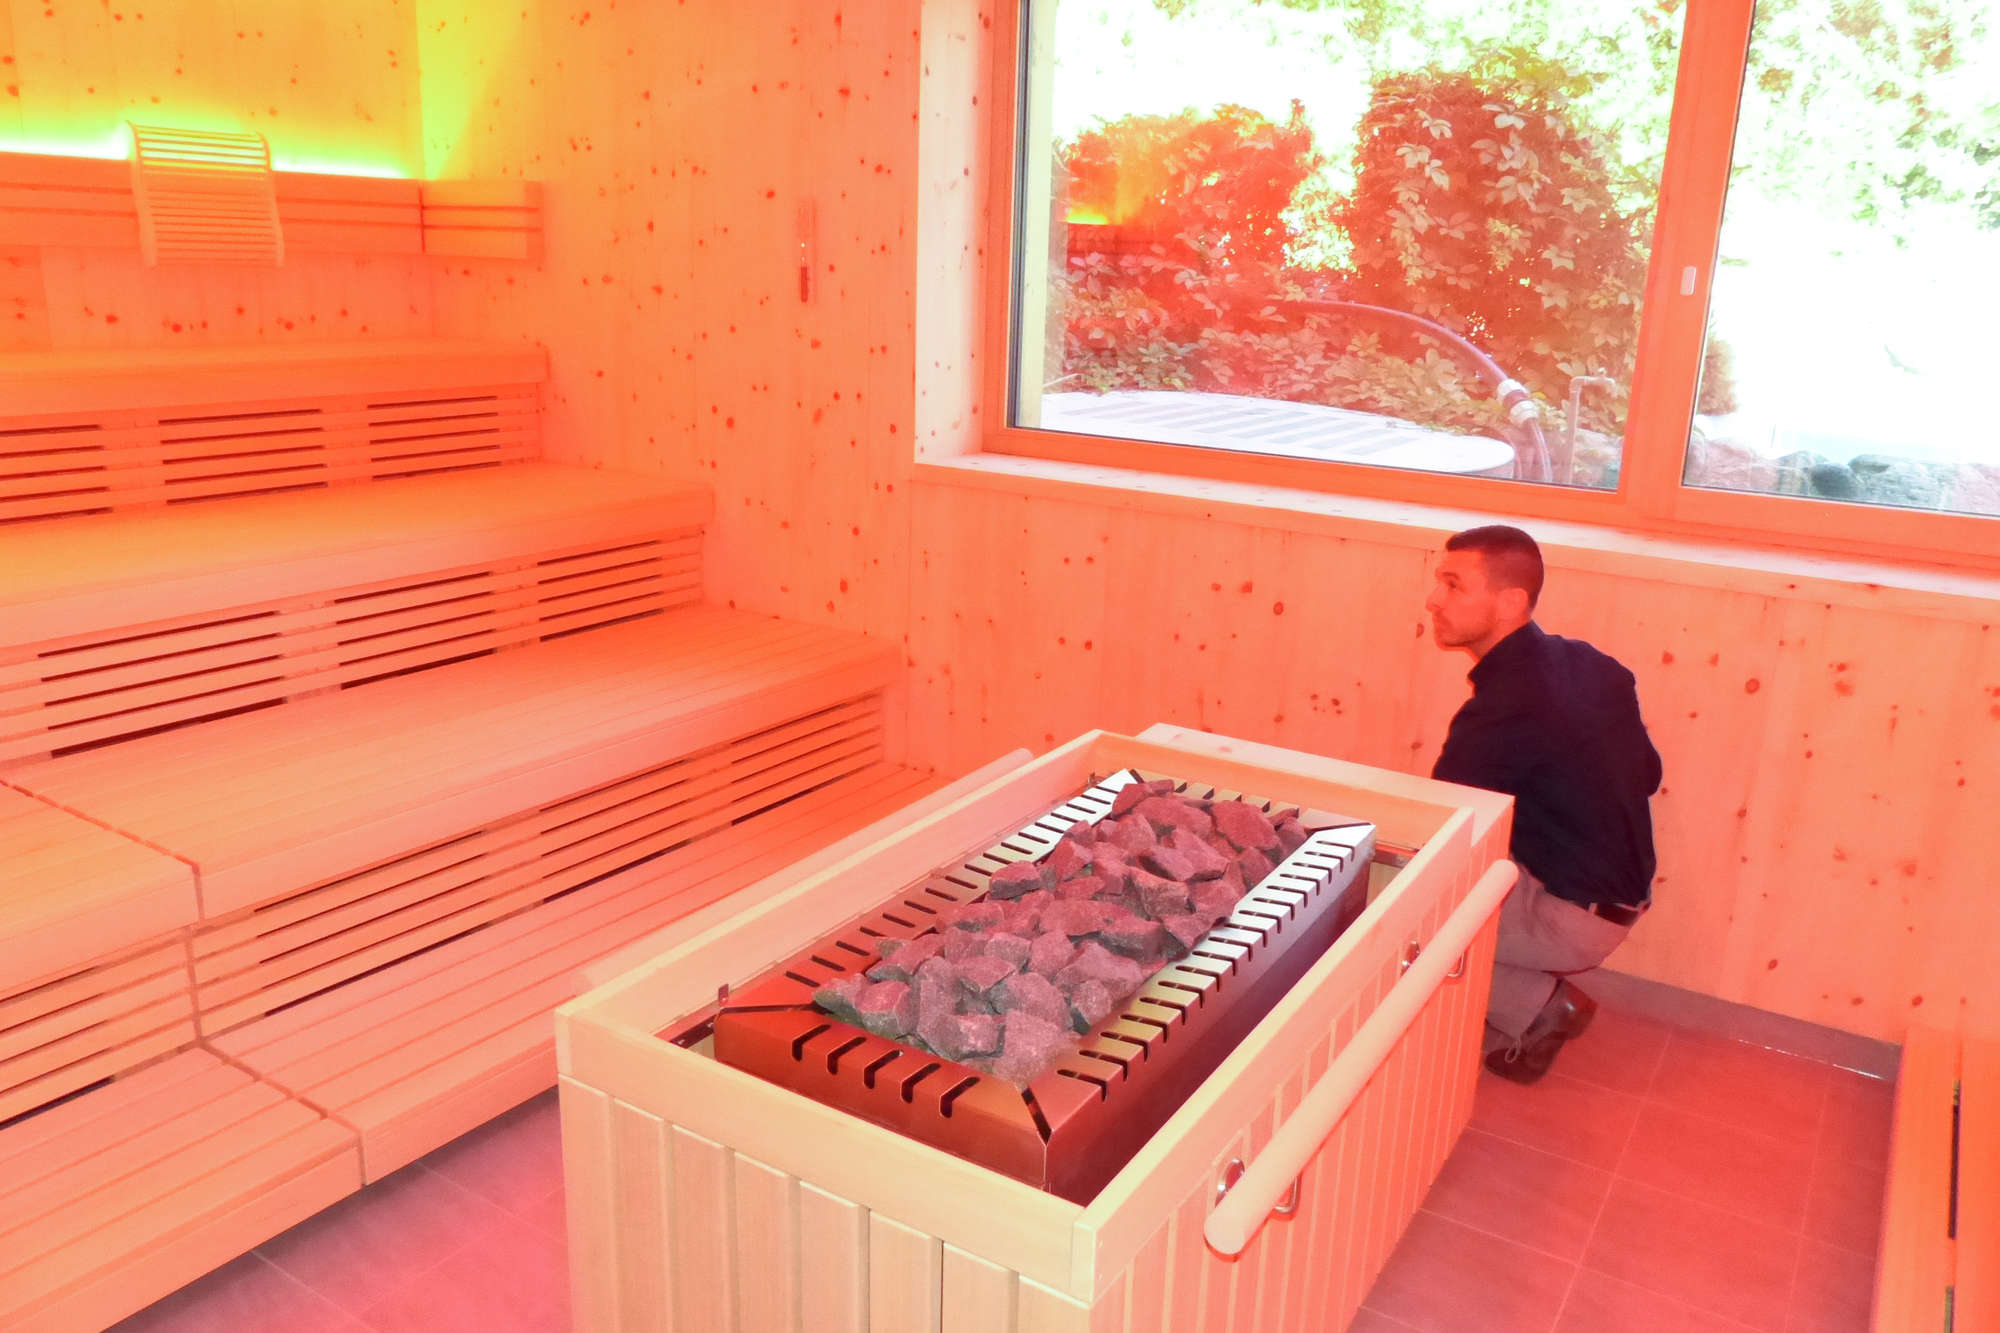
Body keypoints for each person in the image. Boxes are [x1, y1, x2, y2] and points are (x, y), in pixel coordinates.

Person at [1424, 525, 1662, 1084]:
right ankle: (1522, 998)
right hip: (1615, 899)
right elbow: (1648, 775)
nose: (1433, 600)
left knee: (1391, 911)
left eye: (1454, 585)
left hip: (1571, 919)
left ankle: (1540, 1009)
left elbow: (1442, 832)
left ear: (1510, 603)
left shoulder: (1503, 711)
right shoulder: (1589, 664)